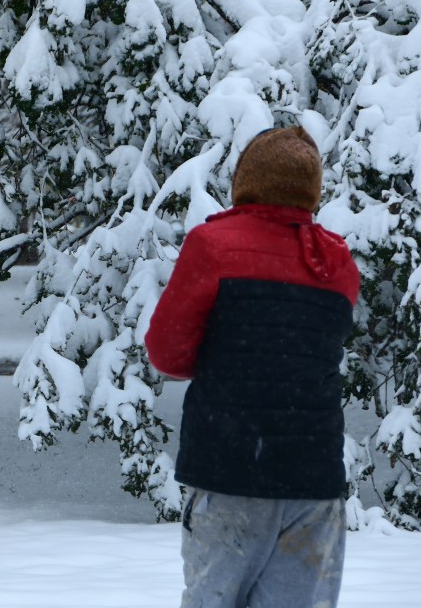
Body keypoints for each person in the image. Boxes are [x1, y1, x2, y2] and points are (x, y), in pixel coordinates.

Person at [144, 127, 361, 608]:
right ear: (311, 188)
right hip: (314, 482)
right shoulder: (337, 261)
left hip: (230, 475)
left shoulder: (213, 246)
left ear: (246, 180)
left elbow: (166, 352)